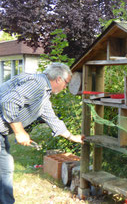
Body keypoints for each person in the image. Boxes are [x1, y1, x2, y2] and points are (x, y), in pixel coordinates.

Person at [0, 62, 84, 204]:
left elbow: (51, 117)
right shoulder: (38, 84)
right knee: (4, 171)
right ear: (58, 79)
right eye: (66, 83)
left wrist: (72, 137)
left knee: (4, 171)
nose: (65, 87)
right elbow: (9, 102)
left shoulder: (44, 93)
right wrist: (19, 131)